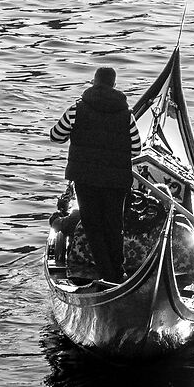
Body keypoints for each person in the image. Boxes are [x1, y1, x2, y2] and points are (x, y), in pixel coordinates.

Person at [49, 66, 141, 282]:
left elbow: (56, 135)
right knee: (113, 226)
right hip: (116, 181)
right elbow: (136, 148)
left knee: (93, 226)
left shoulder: (76, 109)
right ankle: (117, 273)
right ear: (114, 86)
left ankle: (108, 275)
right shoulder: (126, 115)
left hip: (86, 178)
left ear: (93, 82)